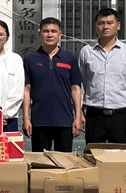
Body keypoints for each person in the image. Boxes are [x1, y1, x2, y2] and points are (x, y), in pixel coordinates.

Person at [78, 8, 126, 144]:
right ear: (95, 26)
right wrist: (80, 113)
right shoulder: (86, 52)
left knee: (120, 155)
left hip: (120, 116)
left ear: (118, 25)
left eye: (109, 23)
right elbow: (81, 84)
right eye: (101, 23)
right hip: (94, 115)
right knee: (93, 154)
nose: (105, 27)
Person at [22, 17, 83, 152]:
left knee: (64, 161)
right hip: (39, 121)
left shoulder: (70, 58)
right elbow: (26, 90)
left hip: (64, 121)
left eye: (54, 31)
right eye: (46, 31)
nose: (50, 35)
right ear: (40, 34)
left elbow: (75, 89)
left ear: (60, 34)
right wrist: (26, 118)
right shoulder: (30, 59)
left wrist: (78, 117)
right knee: (41, 161)